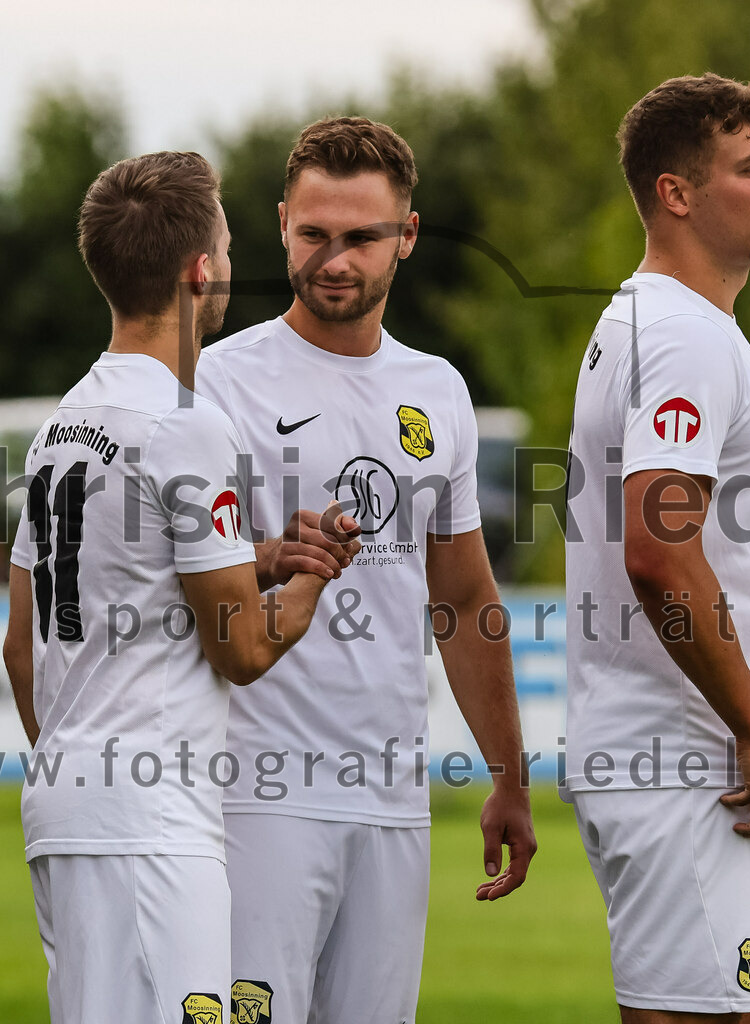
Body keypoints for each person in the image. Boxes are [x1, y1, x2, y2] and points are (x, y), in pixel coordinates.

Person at [195, 116, 536, 1024]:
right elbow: (161, 576)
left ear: (408, 237)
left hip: (392, 800)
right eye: (314, 235)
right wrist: (269, 559)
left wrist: (509, 774)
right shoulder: (217, 382)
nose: (334, 259)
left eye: (361, 237)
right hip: (252, 799)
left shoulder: (439, 391)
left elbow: (462, 601)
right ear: (279, 225)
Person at [2, 150, 348, 1024]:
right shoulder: (186, 425)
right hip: (152, 820)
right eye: (227, 248)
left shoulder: (61, 425)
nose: (230, 266)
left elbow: (22, 643)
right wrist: (314, 576)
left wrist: (257, 556)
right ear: (201, 271)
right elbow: (243, 649)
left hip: (63, 806)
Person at [563, 73, 750, 1022]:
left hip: (673, 754)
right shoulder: (682, 338)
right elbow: (660, 552)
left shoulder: (650, 321)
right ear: (678, 193)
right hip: (691, 762)